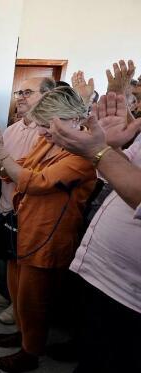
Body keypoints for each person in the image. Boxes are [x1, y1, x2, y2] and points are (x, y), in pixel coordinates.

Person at [0, 86, 97, 372]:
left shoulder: (81, 156)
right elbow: (17, 169)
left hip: (48, 237)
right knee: (18, 292)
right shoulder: (48, 142)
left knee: (34, 301)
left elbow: (32, 182)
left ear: (70, 120)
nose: (41, 133)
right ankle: (23, 335)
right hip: (24, 229)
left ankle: (31, 352)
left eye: (46, 126)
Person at [49, 92, 141, 373]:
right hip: (104, 277)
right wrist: (111, 147)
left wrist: (99, 151)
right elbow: (117, 175)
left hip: (131, 295)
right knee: (92, 352)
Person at [0, 77, 56, 326]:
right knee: (6, 256)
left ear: (47, 96)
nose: (20, 96)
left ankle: (19, 307)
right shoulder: (13, 128)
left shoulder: (49, 132)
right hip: (6, 204)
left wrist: (1, 160)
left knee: (23, 262)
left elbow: (31, 174)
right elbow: (3, 164)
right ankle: (5, 294)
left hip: (29, 210)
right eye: (19, 92)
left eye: (27, 92)